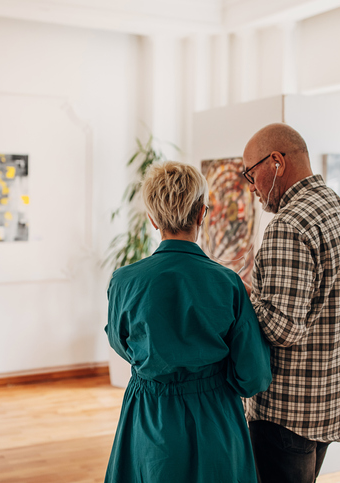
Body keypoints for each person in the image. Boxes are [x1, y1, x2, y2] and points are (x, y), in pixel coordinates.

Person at [104, 161, 272, 483]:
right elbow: (253, 376)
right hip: (215, 416)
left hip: (149, 413)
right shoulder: (228, 284)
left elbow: (121, 344)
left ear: (153, 219)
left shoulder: (123, 282)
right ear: (202, 214)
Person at [241, 123, 340, 483]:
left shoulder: (289, 226)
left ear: (277, 162)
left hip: (287, 412)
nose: (251, 187)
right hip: (330, 401)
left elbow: (282, 329)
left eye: (251, 173)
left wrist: (243, 292)